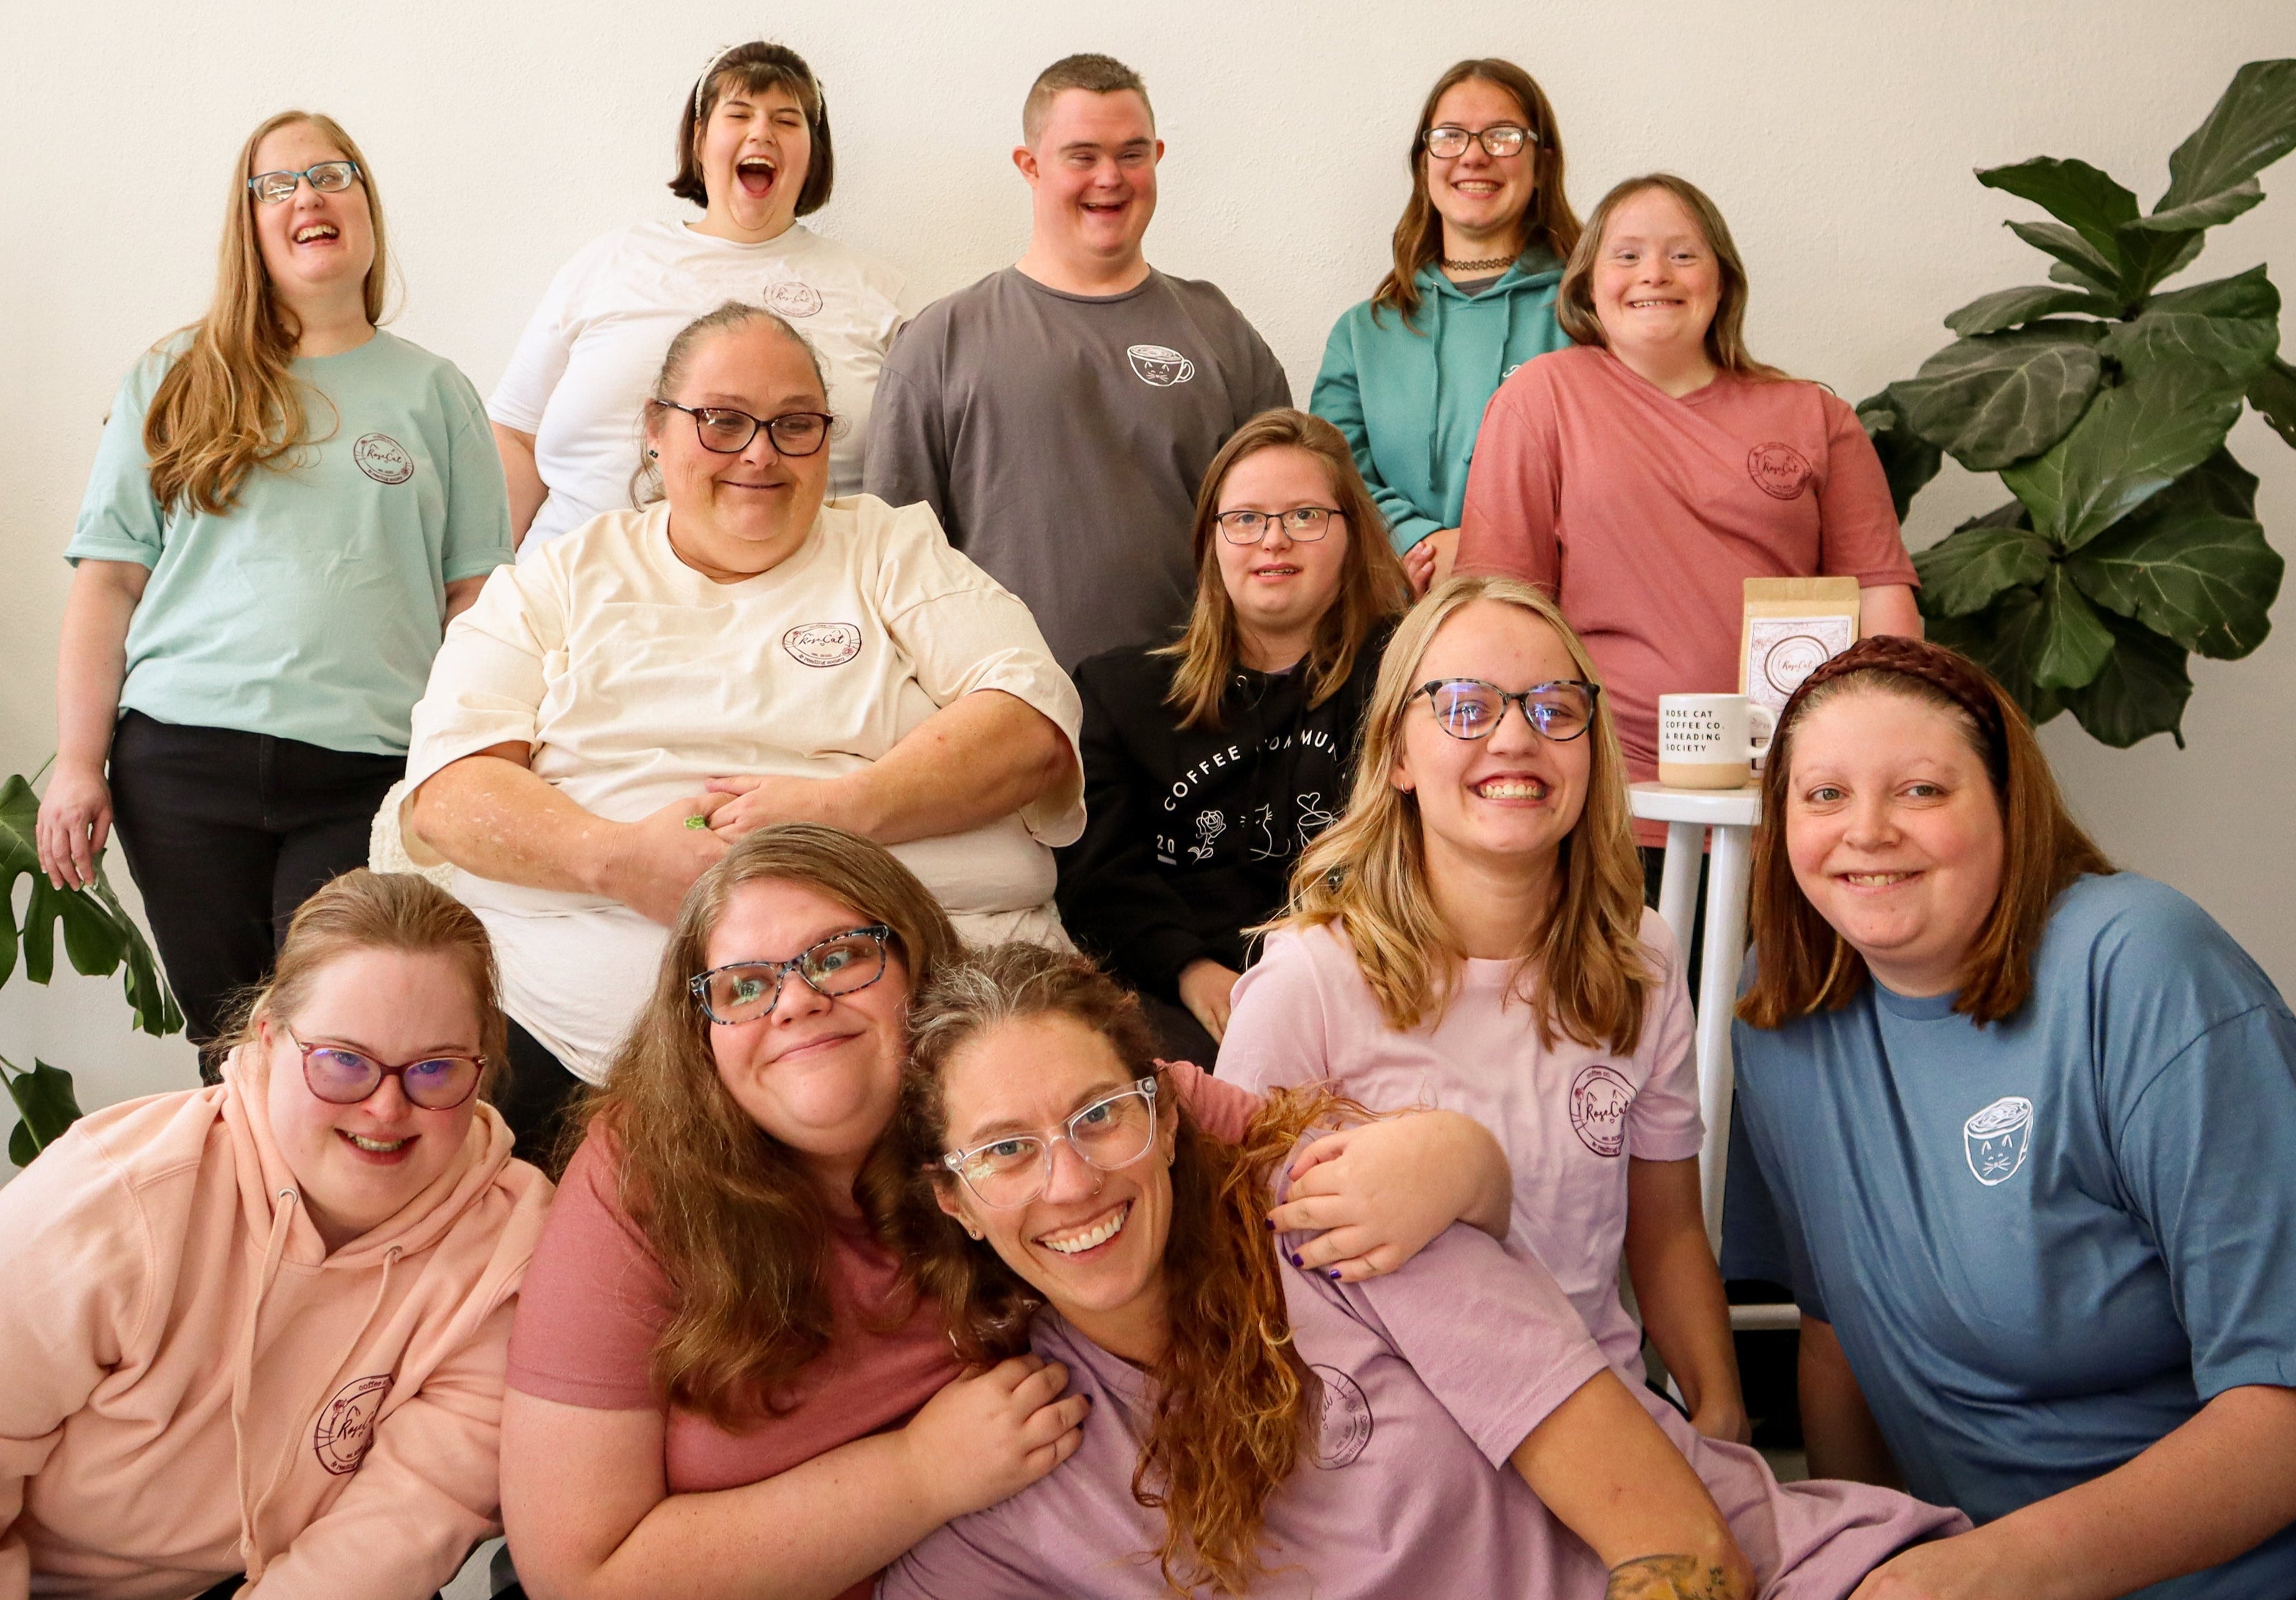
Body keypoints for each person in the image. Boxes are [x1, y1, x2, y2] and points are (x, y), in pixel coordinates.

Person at [499, 824, 1519, 1600]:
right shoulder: (642, 1178)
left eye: (840, 955)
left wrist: (1462, 1159)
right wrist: (915, 1477)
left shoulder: (1020, 1111)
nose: (796, 1001)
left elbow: (1317, 1163)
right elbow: (574, 1572)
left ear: (920, 971)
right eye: (746, 983)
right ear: (702, 1028)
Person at [884, 941, 1963, 1600]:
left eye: (1099, 1116)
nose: (1070, 1183)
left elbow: (1683, 1550)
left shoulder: (1345, 1219)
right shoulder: (1017, 1446)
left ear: (1165, 1117)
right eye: (1006, 1150)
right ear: (954, 1198)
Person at [392, 301, 1083, 1154]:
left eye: (795, 424)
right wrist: (616, 860)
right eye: (721, 421)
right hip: (577, 1058)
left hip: (924, 1045)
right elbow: (448, 790)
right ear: (655, 430)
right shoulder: (559, 582)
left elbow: (1029, 723)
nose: (760, 452)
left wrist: (840, 814)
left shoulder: (892, 550)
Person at [1725, 635, 2296, 1600]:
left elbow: (2281, 1407)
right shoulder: (1782, 1007)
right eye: (1824, 795)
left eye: (1920, 790)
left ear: (2008, 807)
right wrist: (1869, 1558)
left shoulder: (2143, 966)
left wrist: (1989, 1570)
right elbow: (1836, 1343)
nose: (1866, 830)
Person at [1220, 575, 1749, 1446]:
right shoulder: (1305, 983)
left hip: (1606, 1431)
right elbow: (1228, 1267)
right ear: (1395, 756)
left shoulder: (1642, 959)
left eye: (1552, 706)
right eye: (1463, 707)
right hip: (1399, 1454)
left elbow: (1666, 1238)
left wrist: (1721, 1422)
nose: (1514, 736)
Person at [38, 111, 511, 1050]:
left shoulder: (438, 394)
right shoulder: (174, 377)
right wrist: (78, 763)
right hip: (180, 765)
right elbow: (108, 584)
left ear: (367, 210)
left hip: (365, 775)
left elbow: (479, 609)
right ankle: (254, 1206)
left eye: (333, 174)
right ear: (249, 226)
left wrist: (464, 768)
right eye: (278, 184)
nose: (309, 195)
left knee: (333, 1040)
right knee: (230, 1048)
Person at [0, 870, 552, 1600]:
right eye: (344, 1062)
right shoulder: (116, 1199)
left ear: (481, 1071)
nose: (387, 1108)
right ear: (269, 1038)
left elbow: (407, 1519)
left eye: (433, 1070)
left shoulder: (511, 1250)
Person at [1455, 174, 1920, 852]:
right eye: (1627, 254)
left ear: (1722, 280)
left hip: (1797, 801)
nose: (1654, 274)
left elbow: (1883, 602)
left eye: (1683, 254)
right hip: (1608, 800)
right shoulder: (1541, 401)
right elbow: (1501, 611)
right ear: (1587, 285)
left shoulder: (1815, 415)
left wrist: (1871, 764)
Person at [865, 52, 1292, 670]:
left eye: (1131, 153)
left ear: (1158, 157)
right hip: (1005, 722)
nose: (1110, 178)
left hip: (1196, 717)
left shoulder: (1219, 330)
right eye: (1082, 155)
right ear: (1030, 166)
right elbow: (894, 573)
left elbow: (1285, 534)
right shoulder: (940, 342)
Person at [1058, 410, 1410, 1064]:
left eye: (1305, 516)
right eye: (1246, 519)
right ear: (1210, 540)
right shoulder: (1120, 692)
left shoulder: (1406, 675)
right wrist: (1190, 971)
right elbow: (1097, 877)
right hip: (1181, 998)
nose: (1273, 540)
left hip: (1370, 987)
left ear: (1352, 536)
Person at [490, 39, 918, 552]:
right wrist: (482, 592)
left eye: (787, 120)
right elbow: (515, 437)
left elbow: (918, 474)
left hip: (796, 602)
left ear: (814, 153)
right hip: (572, 594)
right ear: (698, 140)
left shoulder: (877, 292)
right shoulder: (608, 263)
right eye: (738, 114)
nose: (762, 131)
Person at [1313, 58, 1580, 596]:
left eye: (1503, 136)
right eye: (1450, 136)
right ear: (1423, 162)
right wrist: (1423, 543)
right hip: (1403, 608)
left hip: (1558, 611)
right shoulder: (1361, 335)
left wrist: (1493, 548)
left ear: (1542, 161)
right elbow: (1332, 472)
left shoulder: (1589, 316)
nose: (1474, 155)